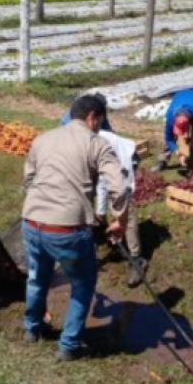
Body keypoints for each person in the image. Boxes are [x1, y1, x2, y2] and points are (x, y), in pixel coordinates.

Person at [22, 95, 130, 362]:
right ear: (93, 116)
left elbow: (28, 180)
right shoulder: (96, 144)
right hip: (66, 228)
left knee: (37, 277)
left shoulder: (43, 138)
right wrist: (121, 221)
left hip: (32, 222)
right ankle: (69, 345)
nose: (101, 125)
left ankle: (32, 328)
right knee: (82, 284)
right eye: (101, 120)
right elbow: (120, 186)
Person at [94, 130, 146, 288]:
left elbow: (111, 184)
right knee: (113, 204)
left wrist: (104, 212)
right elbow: (99, 180)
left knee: (125, 208)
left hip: (125, 159)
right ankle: (118, 238)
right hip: (111, 163)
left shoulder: (98, 142)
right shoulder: (80, 143)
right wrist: (100, 212)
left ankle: (137, 259)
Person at [152, 88, 193, 173]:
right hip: (180, 96)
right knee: (172, 138)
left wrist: (192, 138)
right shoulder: (171, 116)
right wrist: (179, 153)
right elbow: (169, 139)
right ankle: (162, 161)